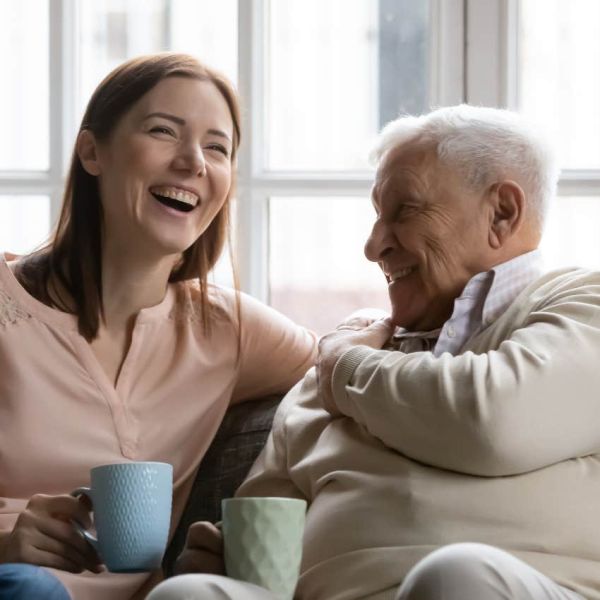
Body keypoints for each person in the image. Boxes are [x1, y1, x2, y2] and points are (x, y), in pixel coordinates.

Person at [149, 104, 600, 600]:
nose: (373, 245)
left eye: (404, 211)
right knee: (186, 594)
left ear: (502, 213)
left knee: (457, 575)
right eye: (376, 217)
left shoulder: (581, 306)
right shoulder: (342, 362)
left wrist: (344, 365)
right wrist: (225, 558)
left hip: (509, 586)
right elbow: (265, 520)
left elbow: (494, 421)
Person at [0, 53, 317, 600]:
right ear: (92, 152)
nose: (193, 161)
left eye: (217, 147)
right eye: (163, 131)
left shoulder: (228, 329)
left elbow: (350, 362)